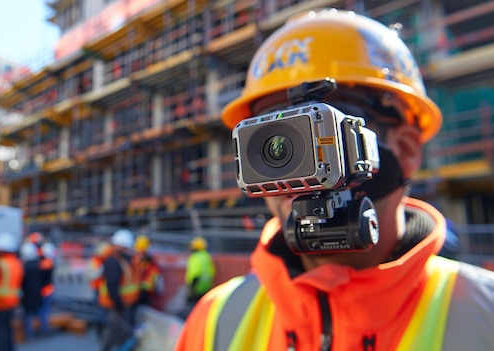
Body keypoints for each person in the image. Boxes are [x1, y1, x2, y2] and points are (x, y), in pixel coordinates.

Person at [174, 9, 494, 350]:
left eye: (316, 131)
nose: (294, 175)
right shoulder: (216, 319)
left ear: (404, 149)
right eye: (272, 134)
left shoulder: (483, 314)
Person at [99, 229, 141, 351]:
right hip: (115, 304)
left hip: (122, 303)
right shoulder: (113, 262)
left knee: (120, 332)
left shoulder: (122, 260)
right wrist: (120, 304)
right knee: (115, 331)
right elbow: (112, 286)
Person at [19, 241, 44, 340]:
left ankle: (29, 334)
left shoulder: (25, 268)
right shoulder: (38, 266)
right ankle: (40, 331)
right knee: (37, 314)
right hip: (37, 294)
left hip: (27, 295)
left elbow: (22, 283)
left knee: (28, 316)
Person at [184, 237, 215, 307]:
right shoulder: (206, 256)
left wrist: (191, 289)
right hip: (206, 287)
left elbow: (195, 273)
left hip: (197, 287)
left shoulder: (195, 257)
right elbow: (212, 271)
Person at [134, 234, 163, 309]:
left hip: (144, 291)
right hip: (139, 291)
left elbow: (155, 275)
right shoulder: (137, 259)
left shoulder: (149, 261)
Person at [38, 241, 56, 336]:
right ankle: (44, 328)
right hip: (46, 290)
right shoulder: (48, 263)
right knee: (45, 310)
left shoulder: (41, 262)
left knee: (43, 309)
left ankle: (43, 327)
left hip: (43, 289)